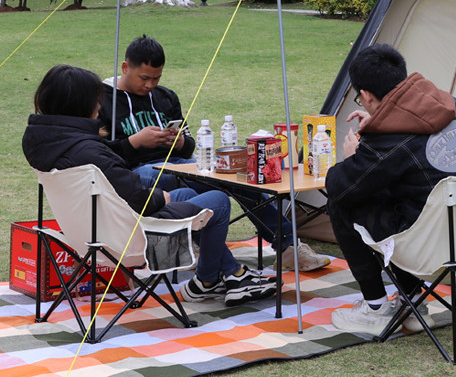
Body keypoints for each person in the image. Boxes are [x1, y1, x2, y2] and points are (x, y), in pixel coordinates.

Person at [22, 64, 275, 306]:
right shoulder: (88, 151)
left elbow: (114, 169)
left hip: (83, 237)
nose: (99, 105)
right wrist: (160, 198)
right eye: (95, 99)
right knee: (217, 200)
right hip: (129, 239)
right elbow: (139, 199)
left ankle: (225, 274)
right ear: (80, 104)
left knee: (186, 193)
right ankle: (209, 279)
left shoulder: (43, 143)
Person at [99, 35, 330, 273]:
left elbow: (189, 145)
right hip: (137, 172)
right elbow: (101, 155)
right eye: (144, 78)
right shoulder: (104, 100)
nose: (150, 85)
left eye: (156, 78)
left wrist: (179, 143)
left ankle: (287, 247)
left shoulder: (165, 97)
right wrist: (135, 142)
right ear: (126, 68)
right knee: (193, 183)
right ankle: (207, 255)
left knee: (234, 179)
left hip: (178, 162)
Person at [327, 43, 456, 336]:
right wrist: (380, 123)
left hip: (436, 248)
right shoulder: (455, 106)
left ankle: (376, 309)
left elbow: (341, 186)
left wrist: (354, 157)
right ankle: (414, 303)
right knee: (410, 200)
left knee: (344, 203)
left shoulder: (390, 142)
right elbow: (414, 146)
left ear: (366, 96)